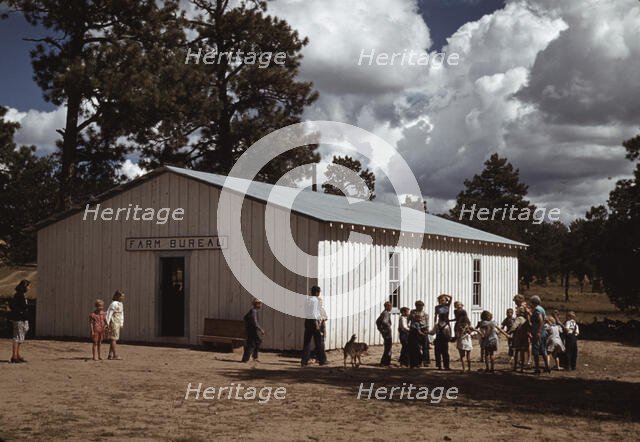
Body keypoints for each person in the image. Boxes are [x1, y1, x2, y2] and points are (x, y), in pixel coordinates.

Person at [301, 286, 327, 366]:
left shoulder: (308, 299)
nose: (319, 294)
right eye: (319, 292)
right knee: (318, 342)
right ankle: (322, 360)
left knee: (307, 342)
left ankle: (304, 361)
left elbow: (306, 311)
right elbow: (314, 312)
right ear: (316, 292)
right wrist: (316, 323)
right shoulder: (315, 300)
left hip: (307, 321)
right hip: (313, 321)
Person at [8, 280, 30, 363]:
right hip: (18, 319)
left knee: (20, 336)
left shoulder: (22, 295)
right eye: (28, 286)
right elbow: (12, 306)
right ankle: (14, 356)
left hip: (22, 319)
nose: (29, 288)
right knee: (17, 337)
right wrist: (20, 312)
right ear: (24, 287)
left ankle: (17, 354)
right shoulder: (18, 295)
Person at [529, 295, 550, 374]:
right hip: (543, 331)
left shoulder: (537, 310)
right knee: (543, 349)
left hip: (538, 332)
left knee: (536, 350)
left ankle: (537, 368)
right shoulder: (541, 308)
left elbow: (541, 320)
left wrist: (538, 331)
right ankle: (547, 366)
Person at [409, 300, 430, 368]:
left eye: (422, 306)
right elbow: (409, 319)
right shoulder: (413, 312)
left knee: (425, 346)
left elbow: (427, 322)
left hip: (423, 329)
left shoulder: (425, 314)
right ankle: (417, 362)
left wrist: (427, 329)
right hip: (415, 330)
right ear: (416, 306)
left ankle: (425, 361)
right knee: (415, 347)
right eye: (419, 306)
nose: (421, 307)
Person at [105, 290, 125, 360]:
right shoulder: (114, 304)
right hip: (113, 322)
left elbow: (122, 314)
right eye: (121, 296)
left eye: (123, 296)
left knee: (114, 338)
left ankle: (110, 355)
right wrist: (107, 323)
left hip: (118, 322)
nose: (123, 298)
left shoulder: (121, 304)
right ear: (117, 296)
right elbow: (109, 313)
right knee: (113, 338)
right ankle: (115, 355)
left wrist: (121, 322)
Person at [510, 306, 531, 372]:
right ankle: (522, 368)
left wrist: (509, 331)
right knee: (522, 352)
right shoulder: (526, 319)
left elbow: (514, 327)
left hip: (518, 337)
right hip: (525, 337)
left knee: (516, 351)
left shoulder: (519, 318)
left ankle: (515, 367)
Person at [513, 294, 532, 365]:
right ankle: (522, 359)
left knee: (528, 342)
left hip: (525, 326)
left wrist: (528, 327)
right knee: (522, 342)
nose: (515, 302)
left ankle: (529, 359)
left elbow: (527, 316)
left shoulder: (523, 307)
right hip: (520, 326)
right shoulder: (519, 307)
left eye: (516, 301)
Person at [376, 301, 393, 367]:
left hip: (385, 332)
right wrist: (388, 325)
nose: (391, 307)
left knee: (387, 347)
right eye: (390, 306)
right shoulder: (386, 313)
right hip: (387, 332)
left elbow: (377, 321)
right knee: (388, 347)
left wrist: (381, 329)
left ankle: (385, 362)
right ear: (387, 306)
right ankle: (385, 363)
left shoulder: (383, 313)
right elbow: (384, 321)